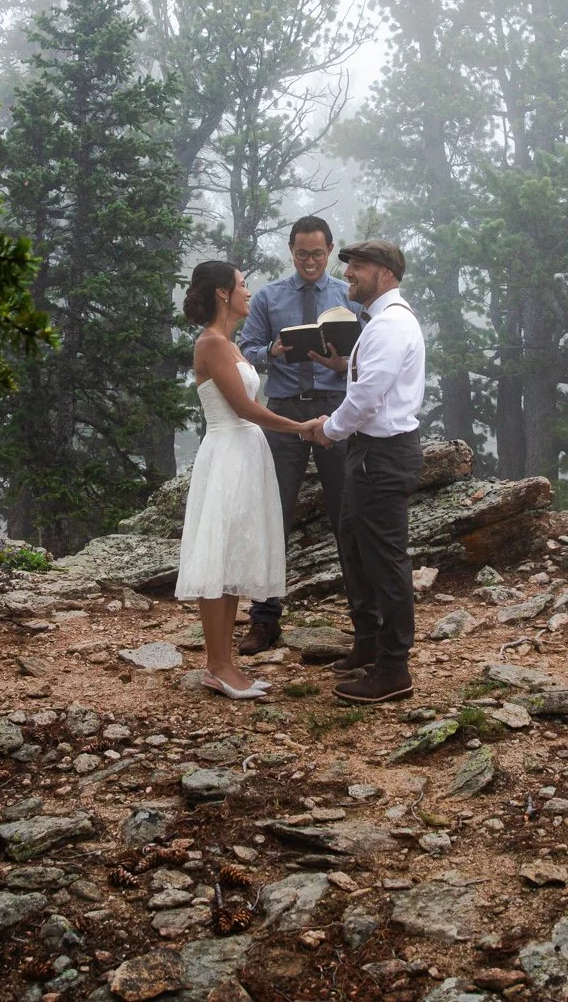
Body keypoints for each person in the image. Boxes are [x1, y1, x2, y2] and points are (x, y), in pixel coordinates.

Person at [174, 260, 314, 700]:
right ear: (222, 293)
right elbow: (246, 409)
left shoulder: (230, 345)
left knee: (233, 557)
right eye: (241, 284)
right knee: (218, 556)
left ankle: (227, 665)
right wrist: (302, 426)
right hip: (228, 452)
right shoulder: (212, 344)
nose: (248, 291)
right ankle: (216, 666)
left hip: (246, 452)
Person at [296, 240, 426, 703]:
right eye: (348, 265)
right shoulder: (382, 323)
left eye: (359, 266)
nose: (347, 272)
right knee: (354, 546)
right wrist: (342, 365)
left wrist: (328, 429)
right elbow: (369, 382)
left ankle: (394, 669)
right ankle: (369, 644)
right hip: (370, 451)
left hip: (383, 454)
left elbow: (369, 396)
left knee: (385, 560)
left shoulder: (390, 325)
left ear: (386, 273)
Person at [233, 215, 361, 654]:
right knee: (272, 516)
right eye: (303, 253)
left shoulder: (349, 296)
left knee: (348, 514)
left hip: (335, 412)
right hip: (284, 414)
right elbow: (245, 351)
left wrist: (341, 364)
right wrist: (272, 351)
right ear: (291, 250)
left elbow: (366, 358)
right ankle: (264, 620)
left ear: (329, 250)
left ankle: (364, 621)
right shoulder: (269, 296)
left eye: (318, 253)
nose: (310, 261)